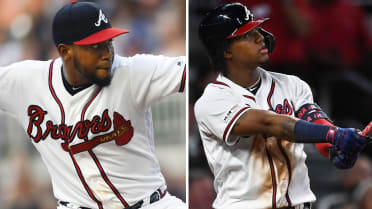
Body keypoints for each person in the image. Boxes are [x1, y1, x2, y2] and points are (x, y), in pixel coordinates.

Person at [0, 1, 186, 209]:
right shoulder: (26, 81)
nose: (107, 53)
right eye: (95, 46)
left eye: (109, 42)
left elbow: (191, 71)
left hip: (149, 204)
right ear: (65, 51)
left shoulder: (132, 72)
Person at [194, 3, 369, 209]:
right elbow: (271, 124)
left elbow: (314, 120)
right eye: (247, 35)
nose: (260, 37)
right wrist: (333, 134)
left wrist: (337, 148)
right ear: (226, 51)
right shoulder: (212, 100)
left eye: (258, 30)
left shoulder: (292, 84)